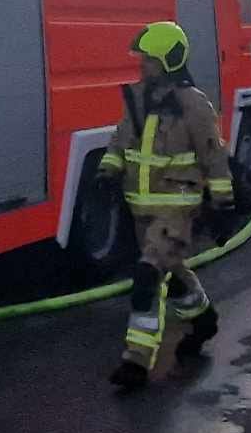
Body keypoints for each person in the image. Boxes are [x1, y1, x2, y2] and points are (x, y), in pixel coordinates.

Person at [97, 21, 238, 391]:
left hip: (176, 208)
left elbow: (213, 157)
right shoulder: (138, 99)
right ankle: (203, 317)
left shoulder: (193, 104)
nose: (141, 66)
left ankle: (136, 363)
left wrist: (223, 206)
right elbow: (119, 140)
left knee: (147, 278)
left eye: (148, 60)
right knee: (170, 272)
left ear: (167, 61)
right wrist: (107, 173)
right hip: (140, 210)